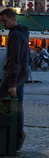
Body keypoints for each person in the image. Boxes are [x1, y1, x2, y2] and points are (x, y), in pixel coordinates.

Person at [0, 8, 30, 153]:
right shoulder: (21, 33)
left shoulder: (16, 35)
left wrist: (12, 84)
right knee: (17, 109)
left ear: (12, 18)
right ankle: (15, 139)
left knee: (14, 109)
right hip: (20, 78)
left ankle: (14, 140)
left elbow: (15, 61)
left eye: (5, 21)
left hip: (14, 79)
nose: (3, 24)